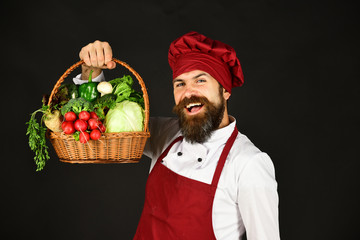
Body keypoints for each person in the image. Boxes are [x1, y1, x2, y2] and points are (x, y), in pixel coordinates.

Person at [75, 31, 280, 240]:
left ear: (225, 90)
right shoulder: (167, 133)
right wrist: (90, 72)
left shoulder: (248, 163)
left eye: (200, 80)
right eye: (180, 84)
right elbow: (98, 128)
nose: (188, 92)